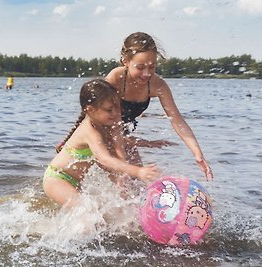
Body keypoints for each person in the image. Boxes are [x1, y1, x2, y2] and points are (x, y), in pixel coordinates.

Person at [105, 32, 213, 180]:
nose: (146, 73)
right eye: (140, 67)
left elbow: (177, 120)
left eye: (152, 67)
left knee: (138, 184)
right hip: (102, 133)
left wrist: (197, 154)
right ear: (125, 61)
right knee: (121, 181)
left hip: (123, 136)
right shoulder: (116, 78)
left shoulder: (158, 85)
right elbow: (92, 114)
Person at [43, 79, 161, 206]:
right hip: (57, 179)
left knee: (99, 215)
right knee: (87, 211)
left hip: (75, 182)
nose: (115, 113)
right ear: (90, 110)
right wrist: (138, 171)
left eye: (117, 107)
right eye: (109, 110)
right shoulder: (89, 130)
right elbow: (105, 159)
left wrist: (149, 143)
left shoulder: (105, 125)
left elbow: (121, 142)